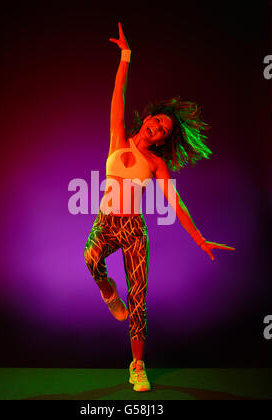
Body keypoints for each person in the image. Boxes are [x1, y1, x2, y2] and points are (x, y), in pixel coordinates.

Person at [84, 22, 235, 392]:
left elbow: (176, 203)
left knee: (140, 299)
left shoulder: (157, 165)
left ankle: (137, 366)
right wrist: (126, 55)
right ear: (149, 117)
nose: (156, 128)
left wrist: (200, 239)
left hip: (134, 229)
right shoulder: (118, 138)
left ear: (163, 140)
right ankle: (108, 293)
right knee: (90, 260)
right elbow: (118, 93)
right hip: (106, 222)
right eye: (157, 121)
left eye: (163, 131)